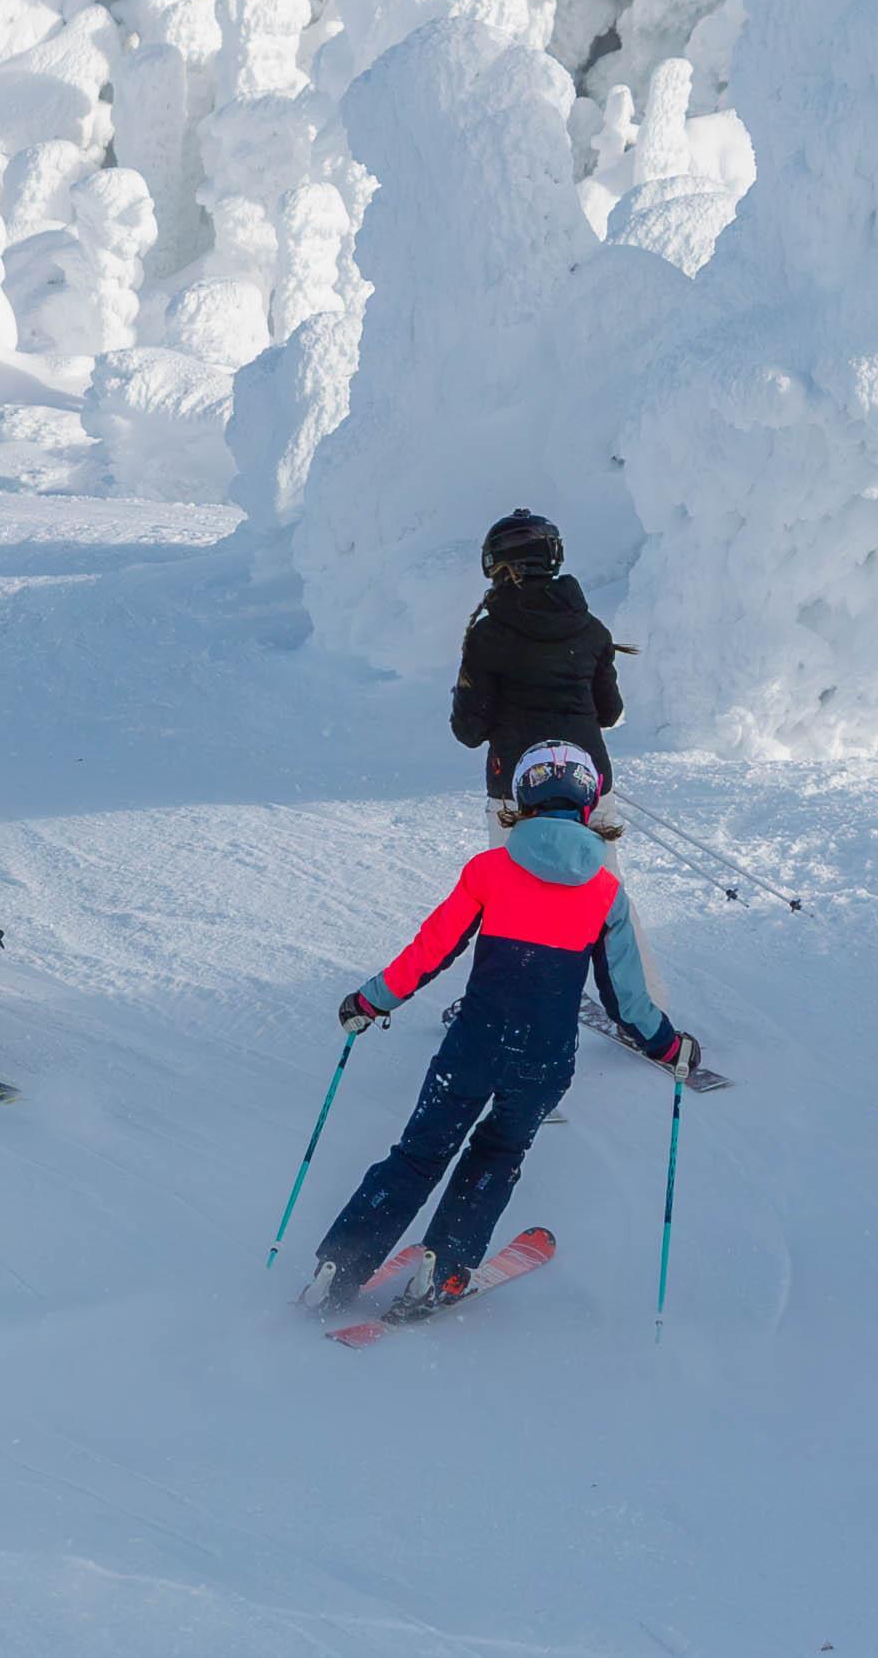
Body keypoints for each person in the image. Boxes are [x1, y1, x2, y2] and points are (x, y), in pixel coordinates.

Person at [305, 738, 699, 1318]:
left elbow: (431, 949)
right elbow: (627, 999)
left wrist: (371, 1000)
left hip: (473, 1045)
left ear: (520, 800)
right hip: (543, 1061)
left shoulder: (490, 871)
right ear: (588, 805)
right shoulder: (606, 893)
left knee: (417, 1155)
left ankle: (339, 1266)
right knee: (497, 1152)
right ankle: (442, 1269)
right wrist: (670, 1045)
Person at [451, 510, 622, 815]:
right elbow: (609, 713)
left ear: (495, 564)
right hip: (589, 783)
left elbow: (469, 731)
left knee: (514, 865)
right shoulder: (592, 629)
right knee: (598, 864)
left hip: (516, 788)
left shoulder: (488, 635)